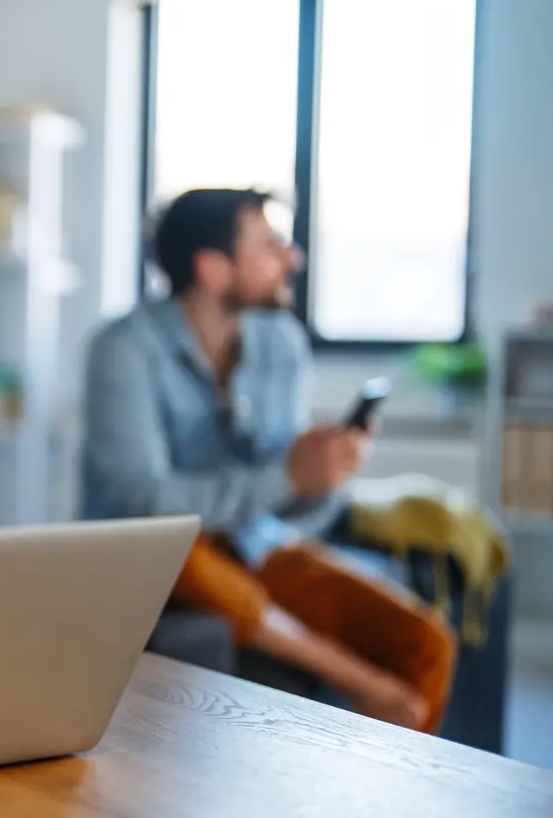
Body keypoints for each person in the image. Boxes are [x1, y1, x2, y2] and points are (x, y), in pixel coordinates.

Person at [81, 188, 456, 732]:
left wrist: (321, 477)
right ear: (212, 269)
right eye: (270, 244)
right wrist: (284, 475)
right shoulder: (123, 349)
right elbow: (145, 502)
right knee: (177, 544)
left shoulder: (281, 342)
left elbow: (293, 513)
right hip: (159, 551)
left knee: (427, 643)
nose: (293, 256)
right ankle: (358, 680)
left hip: (257, 543)